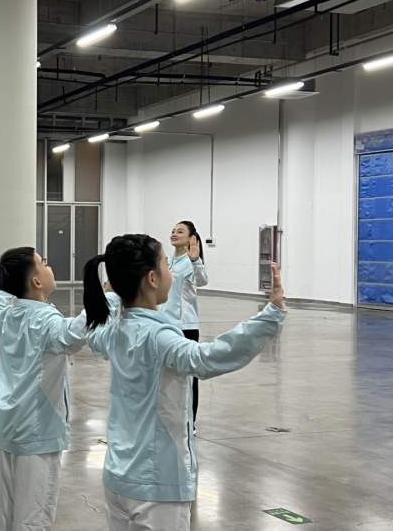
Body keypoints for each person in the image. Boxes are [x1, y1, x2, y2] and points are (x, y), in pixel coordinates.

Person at [82, 234, 286, 531]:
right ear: (152, 278)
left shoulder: (114, 333)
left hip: (118, 476)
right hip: (157, 484)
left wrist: (113, 295)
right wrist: (270, 316)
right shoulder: (159, 337)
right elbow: (206, 358)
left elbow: (93, 335)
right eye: (166, 264)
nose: (172, 273)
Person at [0, 247, 88, 531]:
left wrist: (0, 288)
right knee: (32, 517)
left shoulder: (4, 316)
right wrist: (111, 297)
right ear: (36, 282)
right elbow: (75, 334)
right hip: (38, 432)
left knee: (8, 511)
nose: (50, 266)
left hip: (10, 427)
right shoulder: (45, 321)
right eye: (44, 263)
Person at [159, 221, 208, 426]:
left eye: (180, 231)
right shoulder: (167, 262)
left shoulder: (191, 262)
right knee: (165, 376)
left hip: (185, 327)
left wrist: (195, 260)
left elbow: (202, 280)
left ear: (191, 238)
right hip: (163, 326)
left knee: (188, 377)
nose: (174, 234)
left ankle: (190, 422)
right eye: (173, 231)